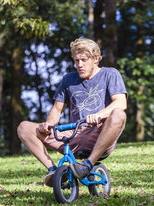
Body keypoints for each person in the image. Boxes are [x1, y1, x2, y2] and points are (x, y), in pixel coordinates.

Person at [17, 38, 127, 186]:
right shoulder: (68, 79)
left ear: (95, 59)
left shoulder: (110, 74)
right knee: (24, 127)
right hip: (74, 134)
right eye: (76, 61)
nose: (79, 65)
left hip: (100, 133)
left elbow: (121, 102)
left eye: (84, 60)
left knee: (119, 114)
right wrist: (48, 123)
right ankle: (54, 172)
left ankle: (88, 164)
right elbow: (57, 109)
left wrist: (99, 115)